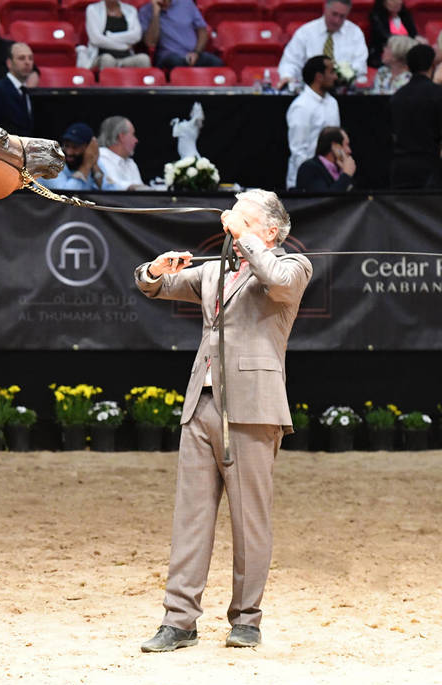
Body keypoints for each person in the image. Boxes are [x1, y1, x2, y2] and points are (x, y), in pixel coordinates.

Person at [135, 189, 312, 654]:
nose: (231, 224)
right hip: (202, 403)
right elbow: (154, 286)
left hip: (254, 407)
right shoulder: (218, 271)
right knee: (189, 518)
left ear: (270, 230)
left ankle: (247, 619)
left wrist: (243, 236)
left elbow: (275, 278)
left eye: (243, 219)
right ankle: (179, 621)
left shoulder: (292, 267)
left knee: (250, 520)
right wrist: (157, 269)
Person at [277, 0, 367, 91]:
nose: (337, 20)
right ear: (325, 9)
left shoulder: (355, 33)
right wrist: (287, 76)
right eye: (334, 14)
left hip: (343, 91)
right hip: (309, 91)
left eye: (342, 16)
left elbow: (359, 66)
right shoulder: (306, 32)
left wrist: (337, 77)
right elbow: (290, 62)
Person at [389, 44, 442, 188]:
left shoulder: (396, 98)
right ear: (432, 64)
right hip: (431, 170)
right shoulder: (438, 94)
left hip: (400, 169)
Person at [285, 55, 339, 189]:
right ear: (319, 76)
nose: (336, 77)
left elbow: (336, 143)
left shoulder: (333, 102)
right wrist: (309, 177)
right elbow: (298, 151)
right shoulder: (301, 106)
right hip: (304, 181)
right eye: (331, 72)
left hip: (329, 178)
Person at [137, 0, 222, 71]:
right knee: (176, 63)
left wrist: (196, 52)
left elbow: (202, 31)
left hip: (193, 53)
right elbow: (150, 43)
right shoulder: (145, 11)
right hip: (168, 57)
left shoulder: (186, 4)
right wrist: (155, 14)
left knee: (216, 62)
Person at [0, 42, 35, 136]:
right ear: (9, 63)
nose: (27, 62)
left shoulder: (27, 91)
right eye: (21, 58)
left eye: (30, 58)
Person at [77, 0, 150, 70]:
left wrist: (109, 36)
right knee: (108, 59)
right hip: (100, 56)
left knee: (144, 59)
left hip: (126, 56)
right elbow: (96, 40)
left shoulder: (131, 10)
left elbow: (136, 36)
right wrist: (124, 46)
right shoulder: (92, 9)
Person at [39, 121, 102, 191]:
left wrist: (94, 166)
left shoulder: (91, 162)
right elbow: (67, 196)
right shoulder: (49, 165)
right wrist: (85, 167)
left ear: (88, 148)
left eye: (75, 147)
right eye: (66, 146)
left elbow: (111, 192)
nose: (69, 152)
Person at [295, 125, 356, 191]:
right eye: (346, 145)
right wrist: (346, 175)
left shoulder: (340, 169)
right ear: (335, 146)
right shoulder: (309, 168)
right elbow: (324, 198)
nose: (349, 151)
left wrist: (344, 173)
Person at [96, 115, 147, 191]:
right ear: (121, 137)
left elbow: (142, 192)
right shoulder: (100, 157)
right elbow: (111, 186)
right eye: (133, 134)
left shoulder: (131, 163)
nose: (136, 140)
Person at [368, 0, 423, 68]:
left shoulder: (405, 15)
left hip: (406, 53)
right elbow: (384, 37)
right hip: (385, 54)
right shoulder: (377, 16)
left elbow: (414, 34)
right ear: (383, 2)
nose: (398, 2)